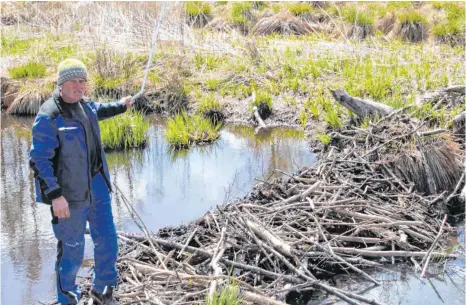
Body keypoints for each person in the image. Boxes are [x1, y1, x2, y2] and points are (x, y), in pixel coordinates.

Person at [29, 58, 134, 305]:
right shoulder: (49, 116)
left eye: (83, 81)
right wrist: (55, 196)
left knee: (108, 240)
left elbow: (100, 109)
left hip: (96, 187)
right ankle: (68, 299)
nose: (79, 86)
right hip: (68, 196)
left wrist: (121, 105)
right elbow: (38, 161)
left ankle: (102, 290)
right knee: (72, 250)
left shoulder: (85, 106)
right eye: (73, 81)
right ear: (61, 84)